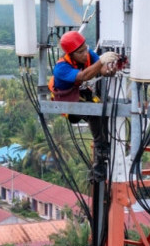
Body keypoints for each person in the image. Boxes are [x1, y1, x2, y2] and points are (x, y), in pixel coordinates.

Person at [49, 31, 119, 181]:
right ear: (71, 54)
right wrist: (101, 61)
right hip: (66, 101)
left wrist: (109, 70)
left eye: (85, 49)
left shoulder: (88, 55)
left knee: (102, 113)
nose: (84, 53)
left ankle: (101, 160)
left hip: (81, 94)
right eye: (80, 52)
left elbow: (100, 69)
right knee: (94, 113)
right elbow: (84, 76)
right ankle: (100, 153)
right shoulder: (61, 68)